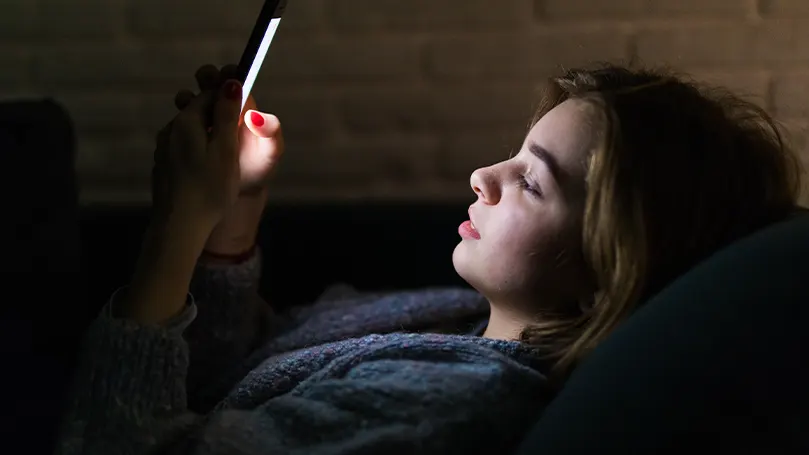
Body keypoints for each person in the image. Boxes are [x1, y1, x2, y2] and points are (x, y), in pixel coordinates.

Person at [57, 63, 802, 455]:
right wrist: (235, 211)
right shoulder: (455, 320)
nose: (484, 176)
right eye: (514, 153)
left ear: (610, 264)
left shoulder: (444, 406)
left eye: (531, 180)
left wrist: (176, 228)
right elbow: (232, 378)